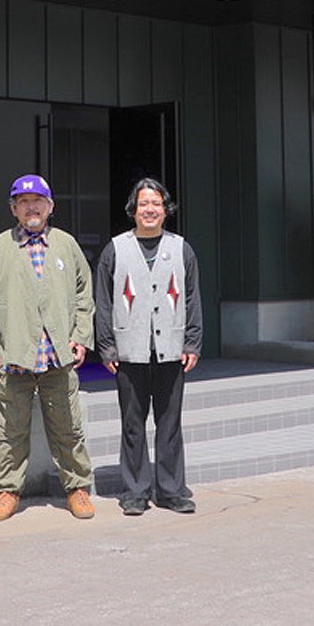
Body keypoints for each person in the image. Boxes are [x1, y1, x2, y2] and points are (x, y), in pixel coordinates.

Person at [0, 173, 96, 522]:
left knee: (68, 427)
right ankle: (8, 491)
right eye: (24, 202)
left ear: (50, 207)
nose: (32, 207)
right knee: (9, 430)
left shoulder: (66, 246)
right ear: (14, 210)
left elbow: (85, 295)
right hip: (14, 356)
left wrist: (81, 336)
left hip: (57, 356)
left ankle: (77, 488)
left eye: (38, 201)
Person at [95, 178, 202, 516]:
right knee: (132, 424)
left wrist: (193, 342)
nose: (150, 209)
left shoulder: (182, 248)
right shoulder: (115, 249)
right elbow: (104, 302)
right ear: (133, 210)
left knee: (170, 425)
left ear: (165, 209)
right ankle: (136, 492)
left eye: (156, 203)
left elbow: (192, 298)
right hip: (130, 351)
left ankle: (171, 490)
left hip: (171, 350)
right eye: (144, 204)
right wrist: (107, 347)